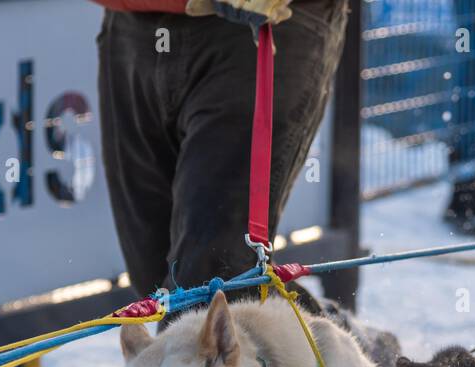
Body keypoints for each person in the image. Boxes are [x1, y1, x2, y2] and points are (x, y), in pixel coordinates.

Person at [92, 0, 347, 303]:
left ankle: (322, 341)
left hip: (259, 28)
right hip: (135, 25)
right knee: (157, 274)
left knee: (207, 275)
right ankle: (324, 336)